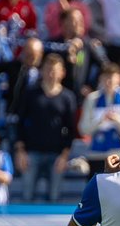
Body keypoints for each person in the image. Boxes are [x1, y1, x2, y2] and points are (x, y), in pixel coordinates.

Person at [13, 54, 78, 202]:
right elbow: (19, 122)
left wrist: (64, 156)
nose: (51, 74)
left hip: (57, 154)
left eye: (55, 70)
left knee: (55, 197)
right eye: (48, 70)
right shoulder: (30, 93)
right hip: (31, 152)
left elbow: (71, 129)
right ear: (42, 71)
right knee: (26, 196)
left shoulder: (67, 97)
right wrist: (20, 151)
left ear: (62, 73)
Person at [79, 63, 120, 163]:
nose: (109, 82)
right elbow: (83, 129)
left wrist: (117, 119)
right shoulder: (92, 99)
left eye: (112, 79)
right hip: (96, 155)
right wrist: (100, 121)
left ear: (119, 79)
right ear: (100, 79)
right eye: (106, 78)